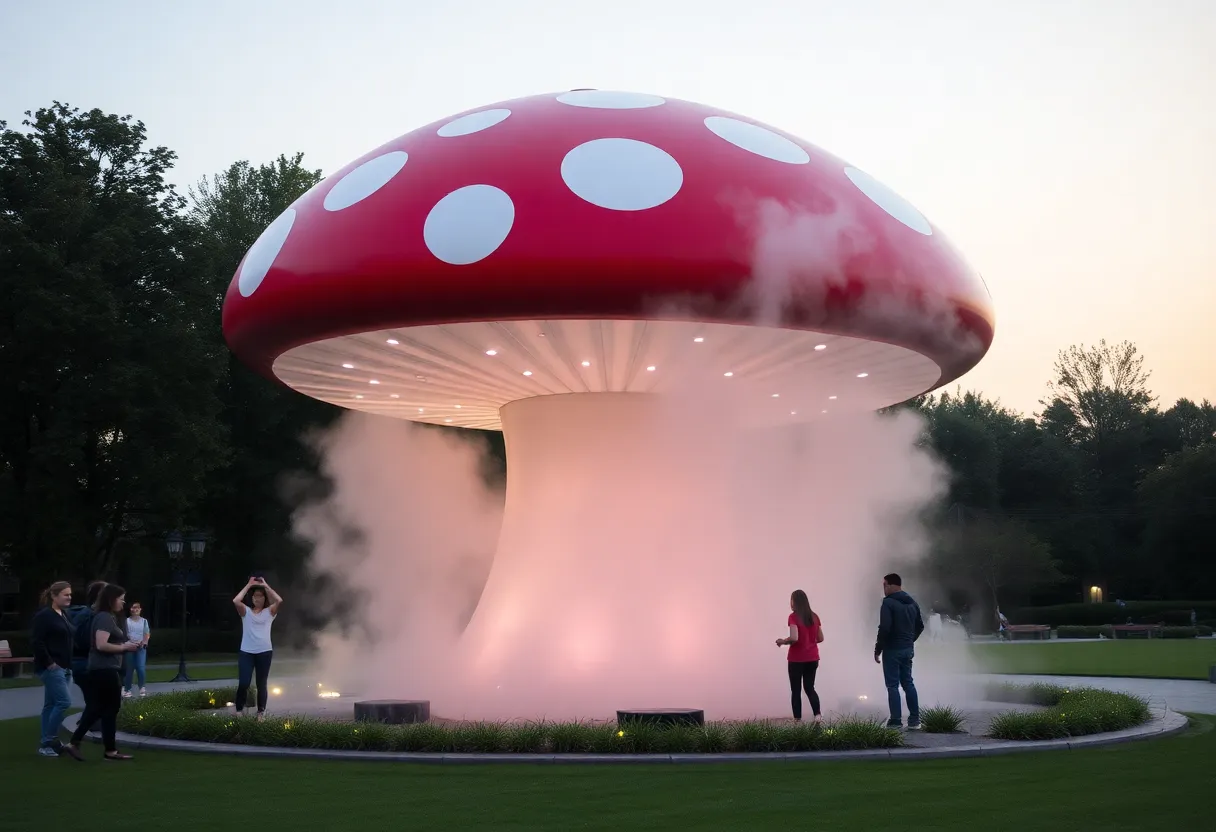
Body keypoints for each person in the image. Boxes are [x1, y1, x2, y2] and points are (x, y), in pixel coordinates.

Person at [64, 583, 140, 761]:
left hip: (103, 668)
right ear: (111, 599)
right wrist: (124, 647)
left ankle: (101, 748)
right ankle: (100, 748)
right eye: (121, 599)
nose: (123, 602)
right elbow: (101, 644)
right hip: (104, 669)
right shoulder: (105, 617)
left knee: (101, 708)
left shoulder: (105, 616)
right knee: (108, 707)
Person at [873, 573, 924, 730]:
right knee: (908, 683)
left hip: (892, 649)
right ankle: (915, 720)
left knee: (892, 685)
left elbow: (885, 628)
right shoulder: (912, 603)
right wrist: (909, 640)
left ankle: (895, 720)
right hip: (907, 649)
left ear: (891, 585)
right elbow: (920, 626)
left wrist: (878, 649)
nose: (883, 589)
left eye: (884, 585)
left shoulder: (888, 603)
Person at [31, 581, 75, 757]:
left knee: (50, 705)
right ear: (54, 596)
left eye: (70, 594)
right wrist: (49, 663)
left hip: (66, 667)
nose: (69, 597)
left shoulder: (65, 614)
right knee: (64, 702)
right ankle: (49, 741)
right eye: (66, 594)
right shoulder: (44, 616)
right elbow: (36, 642)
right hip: (51, 667)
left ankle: (46, 742)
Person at [233, 576, 282, 721]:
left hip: (264, 652)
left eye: (260, 597)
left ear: (264, 598)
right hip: (246, 652)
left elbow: (279, 600)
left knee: (261, 683)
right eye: (255, 596)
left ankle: (261, 712)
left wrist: (266, 586)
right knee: (244, 682)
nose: (257, 599)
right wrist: (249, 585)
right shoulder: (245, 612)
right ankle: (239, 710)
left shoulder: (269, 612)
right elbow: (236, 601)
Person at [775, 589, 824, 722]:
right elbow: (820, 638)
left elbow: (794, 637)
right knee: (809, 687)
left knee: (796, 690)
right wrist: (809, 641)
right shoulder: (814, 616)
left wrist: (782, 641)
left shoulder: (793, 617)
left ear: (794, 602)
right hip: (813, 658)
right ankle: (817, 715)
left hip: (797, 659)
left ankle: (797, 720)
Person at [122, 601, 151, 698]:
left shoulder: (144, 621)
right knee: (129, 669)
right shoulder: (126, 621)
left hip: (141, 648)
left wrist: (144, 642)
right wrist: (129, 642)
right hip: (130, 647)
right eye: (133, 608)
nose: (135, 610)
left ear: (140, 609)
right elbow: (124, 633)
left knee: (140, 668)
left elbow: (146, 633)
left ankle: (142, 687)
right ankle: (127, 689)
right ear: (130, 609)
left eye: (137, 608)